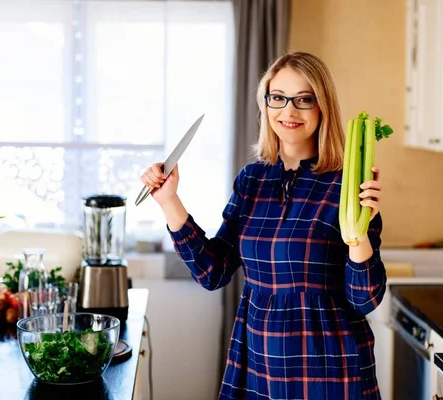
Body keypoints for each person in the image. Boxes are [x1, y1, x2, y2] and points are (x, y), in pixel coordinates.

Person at [140, 51, 386, 400]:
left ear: (322, 106)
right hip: (258, 362)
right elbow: (213, 272)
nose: (288, 111)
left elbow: (365, 298)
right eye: (278, 98)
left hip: (329, 366)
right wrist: (169, 201)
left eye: (303, 99)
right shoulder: (252, 180)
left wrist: (361, 230)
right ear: (265, 104)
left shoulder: (348, 185)